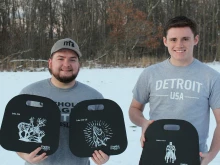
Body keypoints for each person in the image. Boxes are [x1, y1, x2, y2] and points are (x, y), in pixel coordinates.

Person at [129, 16, 220, 165]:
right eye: (173, 39)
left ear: (195, 40)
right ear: (165, 41)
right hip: (154, 154)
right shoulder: (150, 74)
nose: (179, 44)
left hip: (191, 156)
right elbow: (134, 109)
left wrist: (210, 155)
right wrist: (143, 122)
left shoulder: (212, 77)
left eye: (185, 39)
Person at [16, 38, 109, 165]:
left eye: (72, 59)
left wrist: (105, 155)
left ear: (79, 65)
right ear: (50, 63)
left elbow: (106, 137)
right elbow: (14, 136)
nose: (66, 64)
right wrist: (24, 155)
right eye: (60, 58)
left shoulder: (94, 97)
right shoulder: (30, 94)